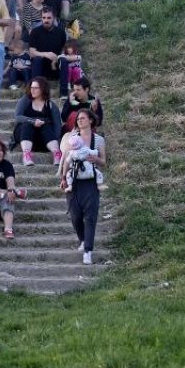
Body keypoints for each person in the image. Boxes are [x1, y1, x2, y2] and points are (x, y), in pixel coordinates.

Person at [58, 109, 106, 265]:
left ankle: (88, 251)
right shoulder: (72, 139)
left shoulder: (98, 140)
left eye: (83, 118)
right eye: (78, 119)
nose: (79, 121)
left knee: (90, 217)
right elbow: (66, 160)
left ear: (91, 121)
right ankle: (83, 239)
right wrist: (64, 177)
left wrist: (96, 159)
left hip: (91, 180)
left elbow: (103, 161)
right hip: (74, 179)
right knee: (75, 215)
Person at [15, 76, 63, 166]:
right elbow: (18, 117)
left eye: (35, 88)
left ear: (43, 89)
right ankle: (26, 155)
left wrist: (55, 138)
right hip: (25, 135)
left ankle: (57, 154)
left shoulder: (51, 105)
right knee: (27, 124)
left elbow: (57, 125)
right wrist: (33, 121)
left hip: (45, 140)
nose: (32, 90)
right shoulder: (25, 100)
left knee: (45, 125)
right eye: (31, 87)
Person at [28, 7, 68, 99]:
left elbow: (64, 51)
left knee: (64, 60)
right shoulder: (35, 32)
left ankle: (64, 93)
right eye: (44, 17)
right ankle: (35, 91)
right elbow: (32, 52)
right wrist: (46, 54)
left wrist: (57, 58)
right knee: (37, 59)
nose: (46, 20)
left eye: (49, 18)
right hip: (40, 67)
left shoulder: (61, 33)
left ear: (54, 18)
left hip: (54, 66)